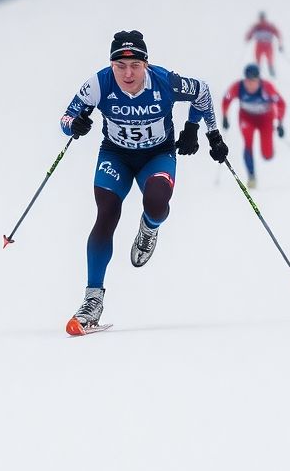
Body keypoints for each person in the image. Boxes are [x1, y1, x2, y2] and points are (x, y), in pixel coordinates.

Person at [59, 30, 229, 335]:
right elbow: (65, 119)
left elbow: (202, 92)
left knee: (156, 202)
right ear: (111, 65)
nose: (127, 73)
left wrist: (201, 130)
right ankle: (92, 299)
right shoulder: (99, 83)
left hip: (157, 156)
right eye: (120, 66)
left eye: (135, 65)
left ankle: (149, 227)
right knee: (106, 213)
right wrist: (77, 123)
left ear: (146, 64)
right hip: (116, 157)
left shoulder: (165, 81)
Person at [219, 63, 286, 189]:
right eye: (248, 81)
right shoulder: (238, 87)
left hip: (265, 119)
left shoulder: (267, 88)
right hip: (246, 118)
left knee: (267, 154)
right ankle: (251, 176)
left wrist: (280, 123)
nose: (250, 85)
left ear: (258, 80)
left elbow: (281, 103)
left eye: (253, 81)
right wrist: (225, 117)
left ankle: (268, 151)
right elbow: (226, 99)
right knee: (248, 143)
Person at [245, 10, 283, 76]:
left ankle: (272, 75)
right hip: (259, 45)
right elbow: (249, 35)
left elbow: (278, 34)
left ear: (265, 17)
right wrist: (248, 38)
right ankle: (256, 75)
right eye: (261, 17)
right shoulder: (256, 26)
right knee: (258, 61)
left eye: (263, 17)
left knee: (270, 60)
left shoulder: (270, 26)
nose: (262, 19)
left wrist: (280, 45)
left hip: (268, 45)